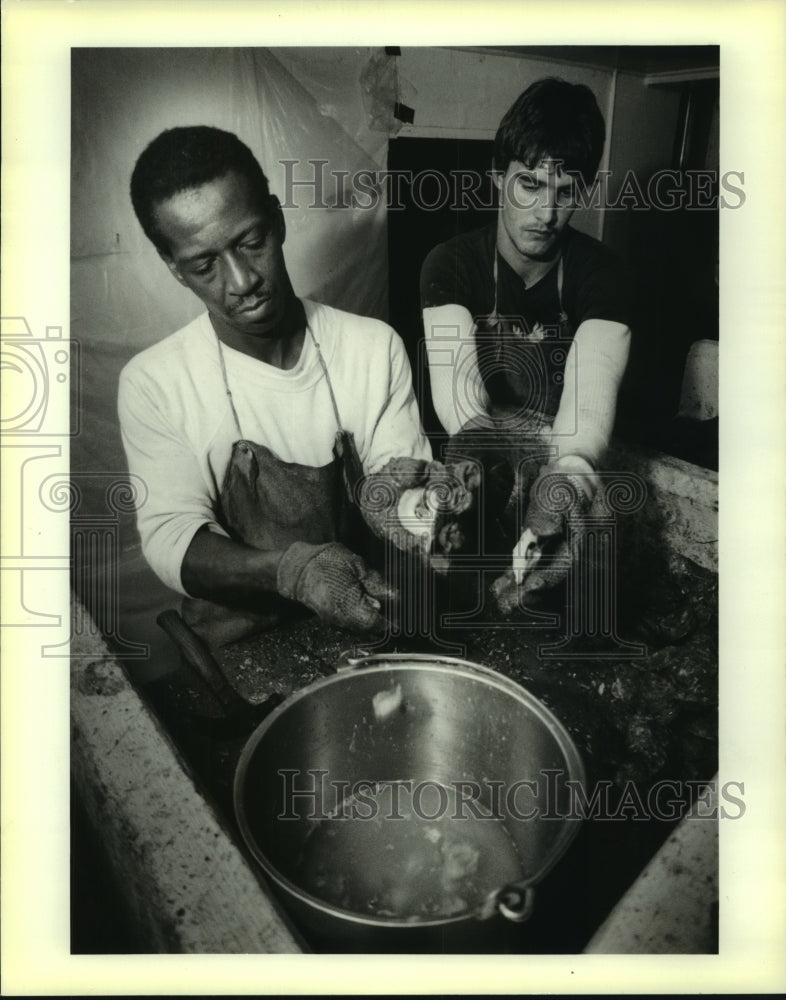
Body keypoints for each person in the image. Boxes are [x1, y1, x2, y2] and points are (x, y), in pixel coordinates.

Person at [120, 125, 476, 648]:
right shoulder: (155, 384)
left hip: (366, 625)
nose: (242, 281)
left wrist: (429, 516)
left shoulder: (371, 347)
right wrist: (293, 571)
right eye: (205, 264)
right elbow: (173, 540)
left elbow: (397, 482)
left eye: (250, 242)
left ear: (277, 220)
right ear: (175, 269)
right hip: (241, 651)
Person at [420, 78, 633, 602]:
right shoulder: (450, 264)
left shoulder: (603, 275)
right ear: (498, 177)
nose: (546, 213)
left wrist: (568, 480)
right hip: (481, 461)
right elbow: (463, 407)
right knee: (455, 594)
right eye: (530, 186)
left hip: (559, 459)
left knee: (574, 579)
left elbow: (587, 408)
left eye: (565, 193)